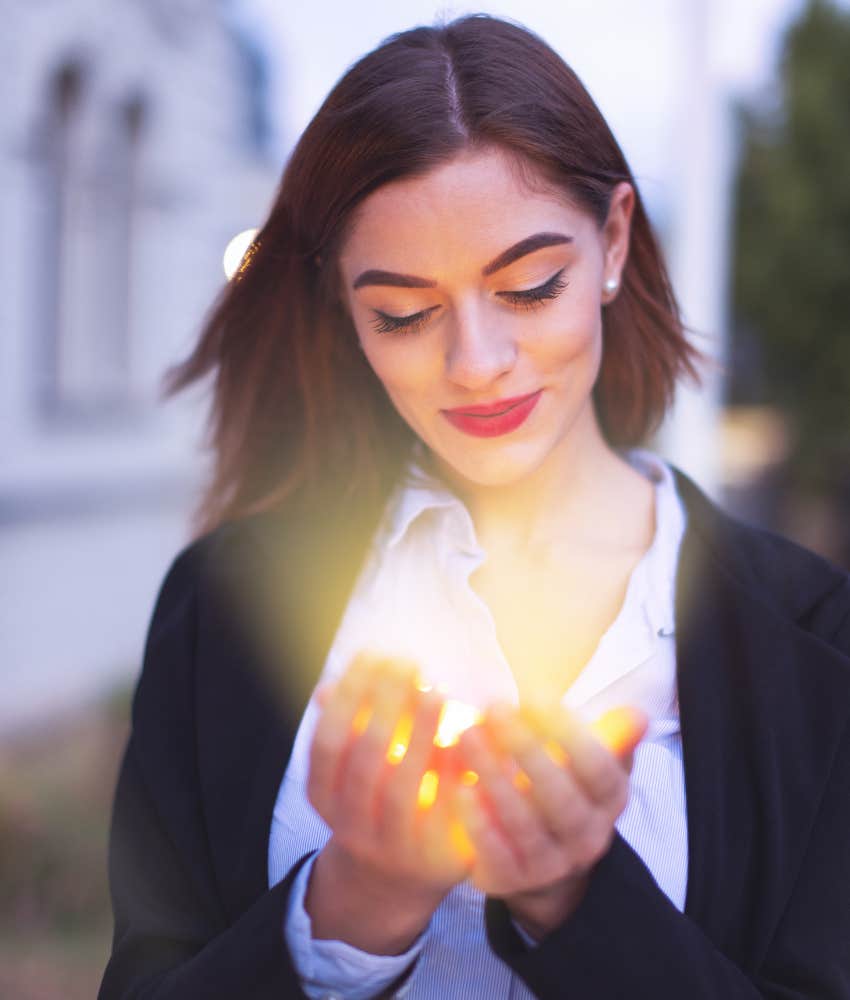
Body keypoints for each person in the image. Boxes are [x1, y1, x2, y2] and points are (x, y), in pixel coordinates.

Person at [99, 14, 850, 1000]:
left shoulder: (810, 638)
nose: (477, 364)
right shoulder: (229, 603)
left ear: (614, 240)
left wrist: (578, 896)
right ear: (343, 306)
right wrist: (351, 903)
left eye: (531, 287)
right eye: (404, 314)